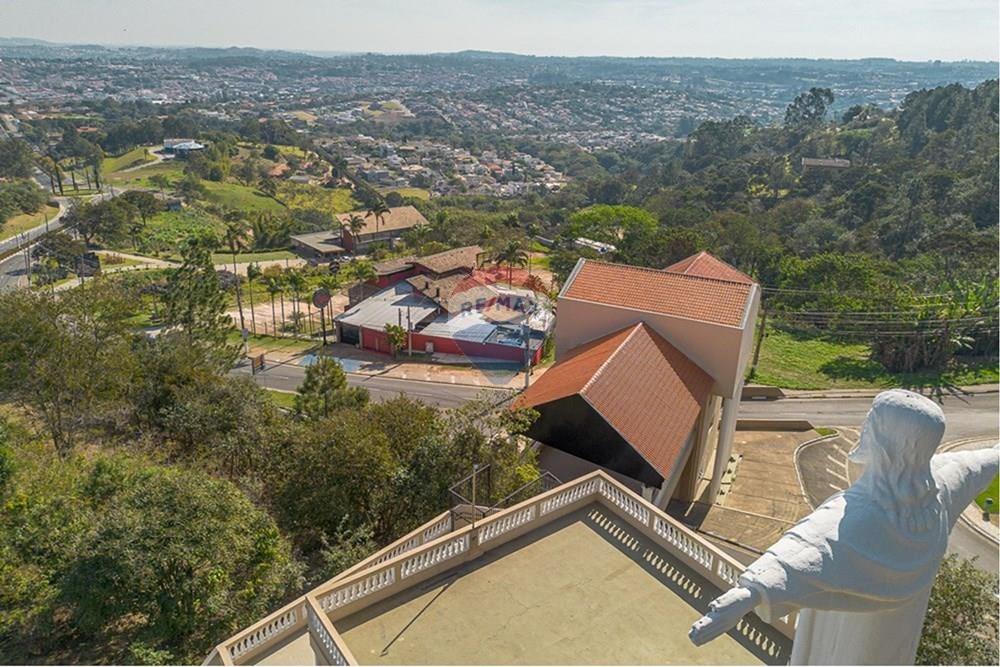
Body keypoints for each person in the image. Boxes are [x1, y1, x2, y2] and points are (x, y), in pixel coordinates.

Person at [689, 389, 998, 665]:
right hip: (895, 646)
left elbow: (807, 546)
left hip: (839, 646)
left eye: (871, 420)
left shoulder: (861, 512)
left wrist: (748, 593)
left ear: (884, 439)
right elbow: (977, 463)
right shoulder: (941, 490)